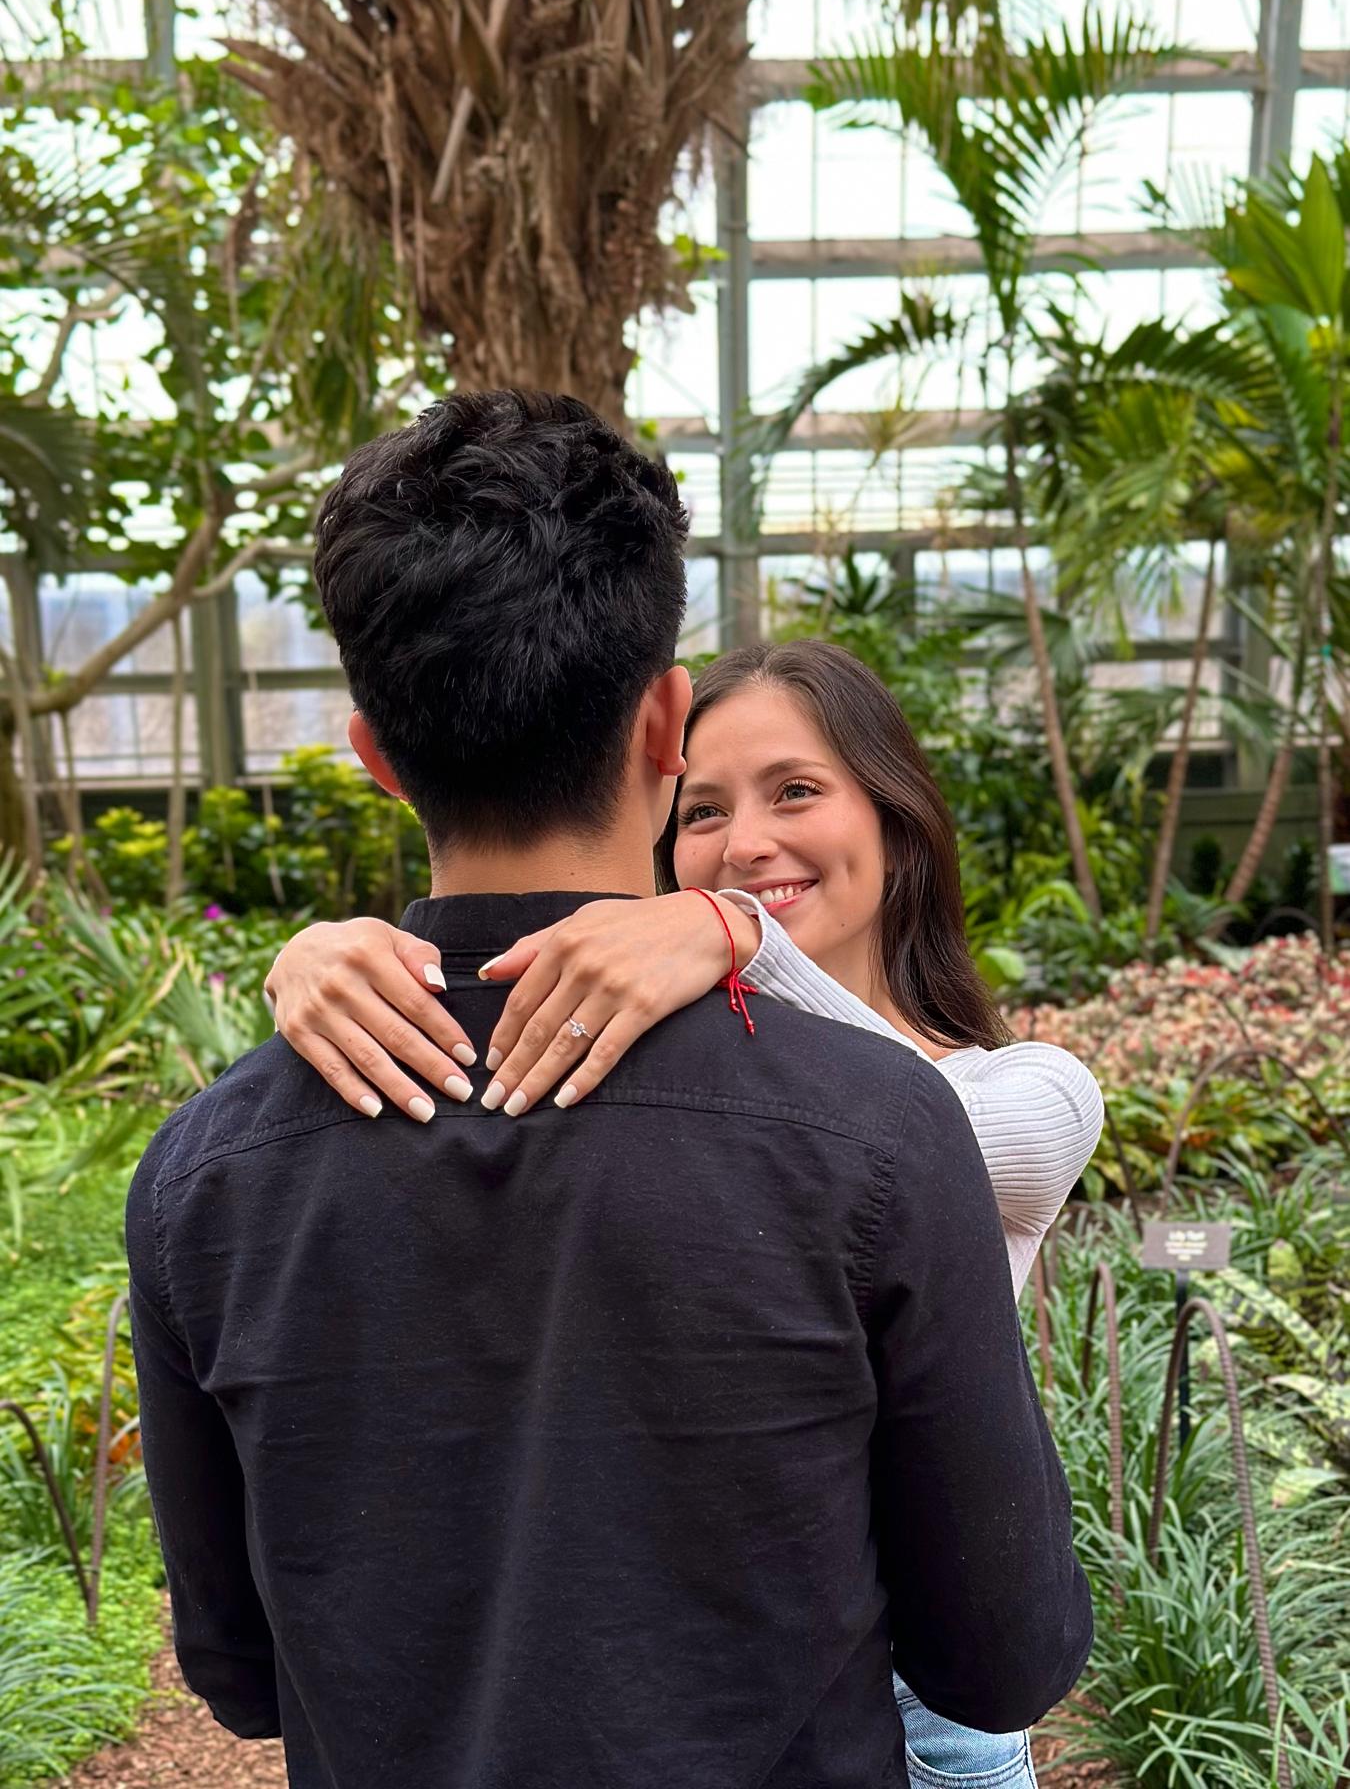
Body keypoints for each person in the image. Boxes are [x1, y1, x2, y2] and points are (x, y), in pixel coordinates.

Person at [127, 389, 1092, 1789]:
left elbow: (236, 1676)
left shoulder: (207, 1172)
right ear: (663, 727)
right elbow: (1000, 1658)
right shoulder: (875, 1133)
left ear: (375, 757)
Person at [267, 639, 1105, 1788]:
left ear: (896, 816)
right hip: (706, 1652)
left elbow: (910, 1137)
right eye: (701, 810)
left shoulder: (1030, 1091)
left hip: (932, 1706)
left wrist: (741, 939)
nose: (746, 844)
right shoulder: (653, 1075)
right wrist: (325, 954)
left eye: (796, 791)